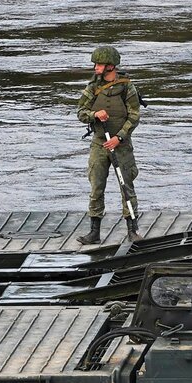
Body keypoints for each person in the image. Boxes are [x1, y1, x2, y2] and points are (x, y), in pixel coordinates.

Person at [76, 45, 141, 244]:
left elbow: (134, 116)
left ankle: (132, 230)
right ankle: (94, 232)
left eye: (99, 64)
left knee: (126, 186)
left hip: (121, 145)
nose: (96, 67)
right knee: (96, 186)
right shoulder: (92, 87)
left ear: (111, 66)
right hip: (99, 143)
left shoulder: (127, 87)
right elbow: (80, 113)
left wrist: (119, 137)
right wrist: (94, 114)